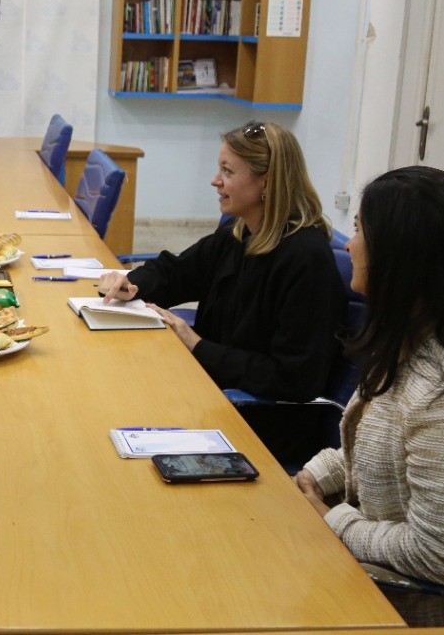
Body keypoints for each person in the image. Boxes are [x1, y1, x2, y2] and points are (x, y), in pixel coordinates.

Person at [295, 166, 444, 627]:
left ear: (402, 256)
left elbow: (438, 557)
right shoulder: (414, 344)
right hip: (380, 587)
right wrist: (316, 474)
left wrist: (330, 519)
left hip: (433, 617)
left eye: (360, 230)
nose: (349, 245)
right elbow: (381, 448)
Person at [97, 120, 344, 460]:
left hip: (259, 422)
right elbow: (177, 271)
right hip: (214, 391)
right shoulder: (239, 233)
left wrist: (198, 346)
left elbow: (293, 378)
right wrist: (132, 283)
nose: (216, 181)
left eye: (227, 171)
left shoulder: (305, 259)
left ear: (267, 181)